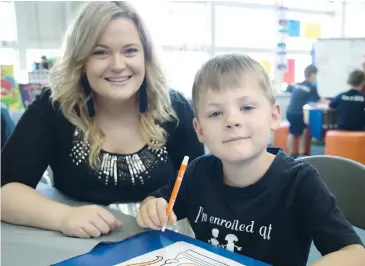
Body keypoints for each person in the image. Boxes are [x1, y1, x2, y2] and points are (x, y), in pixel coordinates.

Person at [136, 54, 365, 266]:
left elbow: (355, 253)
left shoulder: (300, 182)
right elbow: (160, 201)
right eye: (216, 113)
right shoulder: (198, 172)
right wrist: (151, 206)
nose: (232, 120)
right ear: (200, 130)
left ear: (273, 116)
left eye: (246, 107)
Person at [1, 1, 204, 239]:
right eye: (100, 52)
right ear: (81, 60)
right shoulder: (57, 107)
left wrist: (164, 204)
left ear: (146, 56)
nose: (118, 65)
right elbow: (6, 192)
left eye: (130, 50)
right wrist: (63, 217)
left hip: (160, 244)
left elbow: (200, 187)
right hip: (78, 245)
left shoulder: (174, 108)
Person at [286, 64, 321, 157]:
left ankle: (297, 153)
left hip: (290, 111)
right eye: (316, 75)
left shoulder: (298, 84)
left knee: (301, 130)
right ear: (312, 75)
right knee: (295, 132)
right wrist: (329, 101)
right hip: (297, 113)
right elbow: (319, 100)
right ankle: (294, 154)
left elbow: (300, 99)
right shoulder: (311, 86)